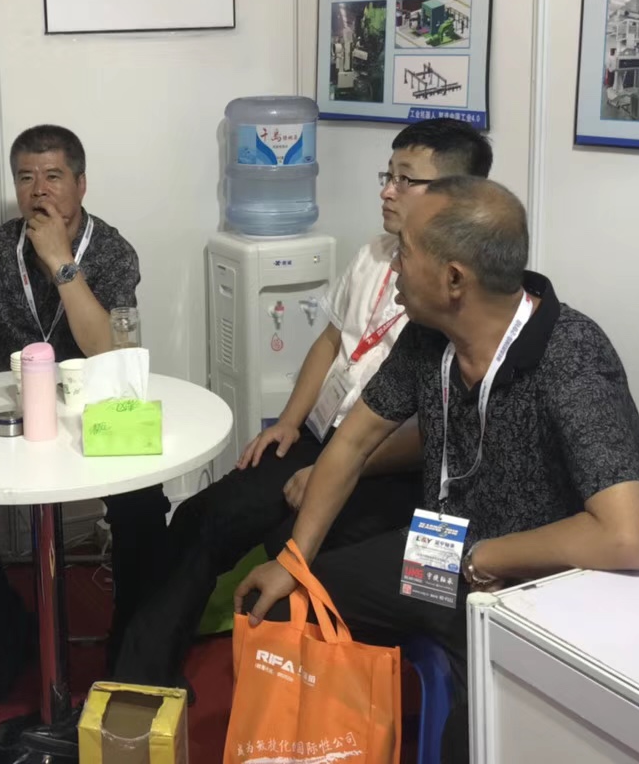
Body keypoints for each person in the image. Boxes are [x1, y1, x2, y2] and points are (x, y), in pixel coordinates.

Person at [236, 177, 639, 763]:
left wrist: (482, 558)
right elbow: (351, 444)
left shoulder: (572, 356)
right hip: (441, 554)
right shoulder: (428, 337)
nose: (394, 268)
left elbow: (626, 537)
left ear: (454, 279)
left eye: (406, 252)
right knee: (283, 607)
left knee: (469, 739)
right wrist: (295, 561)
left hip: (529, 588)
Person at [111, 118, 494, 693]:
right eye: (387, 176)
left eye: (404, 180)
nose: (387, 191)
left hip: (388, 468)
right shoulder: (374, 255)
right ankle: (138, 681)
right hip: (329, 440)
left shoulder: (457, 298)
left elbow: (432, 435)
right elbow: (331, 340)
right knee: (202, 517)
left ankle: (295, 706)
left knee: (286, 545)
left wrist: (333, 468)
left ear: (457, 198)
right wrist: (289, 422)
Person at [0, 124, 168, 703]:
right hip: (16, 410)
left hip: (95, 408)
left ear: (81, 184)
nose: (39, 190)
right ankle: (9, 633)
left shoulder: (112, 251)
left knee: (143, 507)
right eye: (26, 178)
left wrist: (62, 262)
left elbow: (108, 352)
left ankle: (128, 647)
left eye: (54, 177)